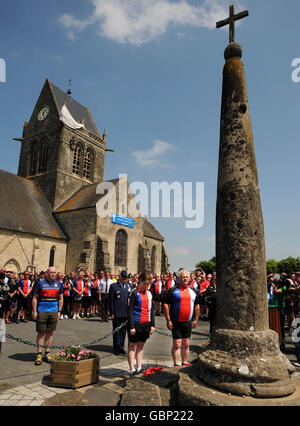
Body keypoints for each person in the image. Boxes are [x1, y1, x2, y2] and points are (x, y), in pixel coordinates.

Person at [163, 269, 200, 366]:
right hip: (175, 321)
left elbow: (197, 306)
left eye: (187, 277)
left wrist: (196, 319)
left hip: (188, 321)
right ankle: (176, 363)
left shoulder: (193, 291)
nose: (185, 278)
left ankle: (184, 361)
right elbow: (166, 305)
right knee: (177, 344)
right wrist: (168, 320)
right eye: (183, 277)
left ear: (189, 278)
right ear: (179, 278)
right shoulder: (173, 290)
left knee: (186, 343)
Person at [32, 267, 63, 365]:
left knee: (50, 332)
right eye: (51, 272)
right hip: (42, 311)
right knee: (41, 332)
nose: (53, 274)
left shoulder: (59, 284)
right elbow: (34, 298)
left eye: (54, 272)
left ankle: (47, 353)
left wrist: (59, 311)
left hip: (53, 311)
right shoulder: (39, 283)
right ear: (47, 273)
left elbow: (61, 298)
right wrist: (34, 311)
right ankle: (39, 354)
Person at [128, 272, 155, 377]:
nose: (147, 286)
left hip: (146, 323)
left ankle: (139, 366)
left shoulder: (149, 293)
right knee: (132, 346)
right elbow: (129, 310)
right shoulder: (134, 293)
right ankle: (131, 368)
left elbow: (151, 310)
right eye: (145, 284)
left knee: (141, 346)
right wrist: (131, 326)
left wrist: (152, 325)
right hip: (135, 323)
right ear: (140, 281)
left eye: (148, 284)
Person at [109, 270, 131, 356]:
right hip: (117, 312)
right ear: (120, 277)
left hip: (125, 313)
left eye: (126, 278)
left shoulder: (129, 286)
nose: (126, 279)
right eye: (124, 278)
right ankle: (116, 348)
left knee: (123, 331)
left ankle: (121, 347)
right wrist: (112, 312)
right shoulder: (114, 286)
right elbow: (111, 301)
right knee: (116, 331)